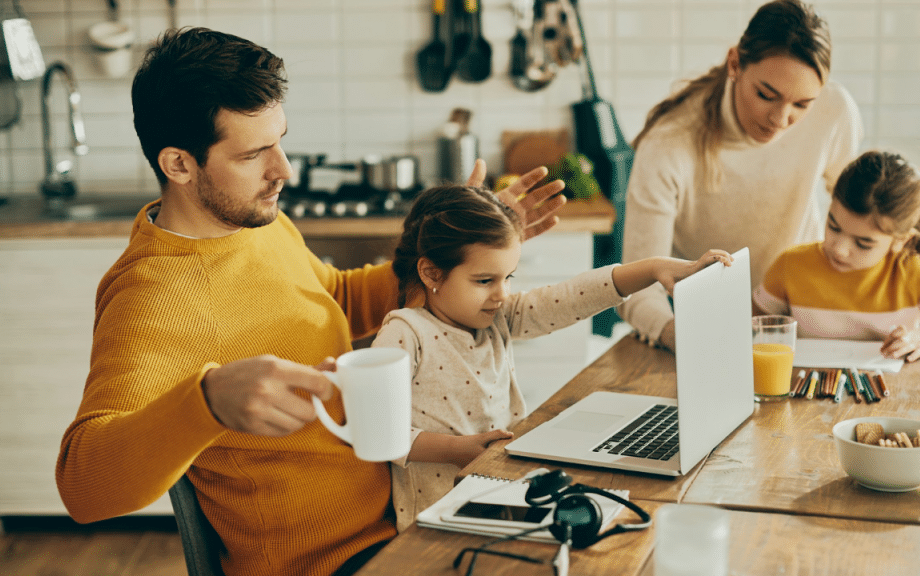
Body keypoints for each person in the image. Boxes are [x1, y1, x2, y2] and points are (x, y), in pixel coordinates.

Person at [54, 28, 567, 576]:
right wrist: (204, 402)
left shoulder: (251, 222)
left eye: (280, 141)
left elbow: (336, 299)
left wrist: (453, 258)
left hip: (408, 513)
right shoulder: (151, 298)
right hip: (334, 562)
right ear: (179, 165)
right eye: (254, 154)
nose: (284, 171)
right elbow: (83, 488)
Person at [369, 184, 732, 529]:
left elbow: (571, 296)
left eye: (507, 277)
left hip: (500, 495)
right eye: (484, 281)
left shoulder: (498, 318)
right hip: (435, 518)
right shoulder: (405, 333)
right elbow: (375, 429)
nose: (501, 293)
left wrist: (653, 268)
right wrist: (455, 450)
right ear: (432, 272)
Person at [619, 0, 862, 351]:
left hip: (807, 319)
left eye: (801, 105)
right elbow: (637, 285)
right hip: (708, 327)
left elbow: (862, 218)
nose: (781, 120)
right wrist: (675, 333)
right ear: (735, 64)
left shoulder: (834, 110)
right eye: (766, 95)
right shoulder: (668, 144)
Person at [753, 150, 920, 363]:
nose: (839, 248)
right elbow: (748, 331)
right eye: (833, 227)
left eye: (863, 243)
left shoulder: (913, 274)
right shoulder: (790, 265)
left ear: (901, 241)